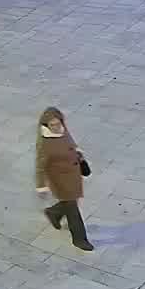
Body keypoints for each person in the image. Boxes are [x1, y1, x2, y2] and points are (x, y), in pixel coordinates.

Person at [35, 107, 93, 252]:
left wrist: (78, 154)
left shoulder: (63, 130)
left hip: (72, 175)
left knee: (69, 203)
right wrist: (41, 185)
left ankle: (54, 213)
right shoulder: (45, 143)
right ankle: (80, 239)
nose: (56, 127)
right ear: (46, 125)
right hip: (59, 180)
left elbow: (70, 144)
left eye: (58, 123)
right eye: (52, 125)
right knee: (73, 209)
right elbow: (40, 166)